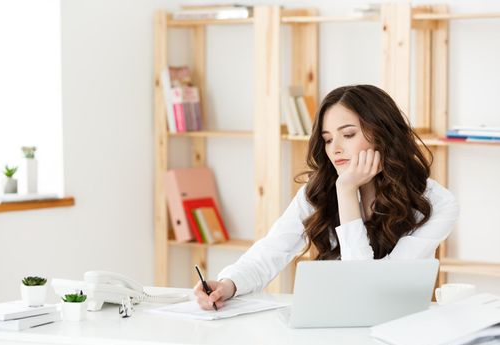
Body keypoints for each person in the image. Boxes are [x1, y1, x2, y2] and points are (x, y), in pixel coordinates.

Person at [194, 84, 459, 310]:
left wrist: (346, 193)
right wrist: (228, 284)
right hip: (332, 323)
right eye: (328, 139)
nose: (336, 149)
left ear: (383, 135)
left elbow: (370, 290)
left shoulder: (437, 203)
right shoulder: (318, 190)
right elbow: (272, 250)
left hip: (398, 330)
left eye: (348, 135)